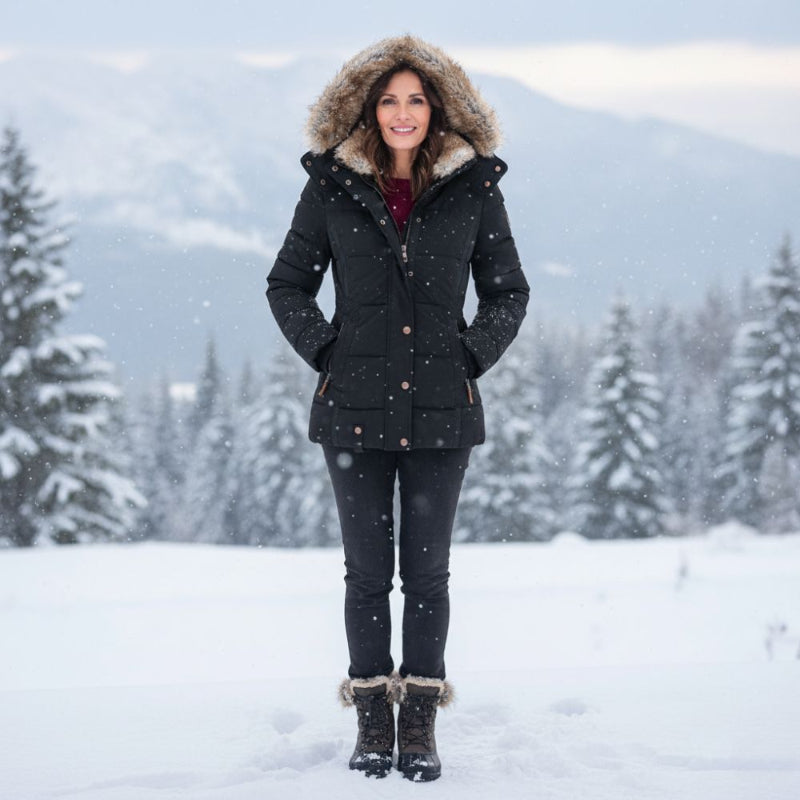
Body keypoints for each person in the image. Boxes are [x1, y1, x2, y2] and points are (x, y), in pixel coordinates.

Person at [266, 34, 529, 781]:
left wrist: (469, 357)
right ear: (367, 110)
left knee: (429, 575)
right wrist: (328, 351)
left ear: (437, 108)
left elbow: (508, 291)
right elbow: (287, 284)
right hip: (352, 410)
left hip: (444, 414)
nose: (403, 112)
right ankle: (372, 721)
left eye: (416, 99)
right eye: (389, 100)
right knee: (366, 574)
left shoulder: (474, 188)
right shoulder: (333, 187)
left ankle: (419, 724)